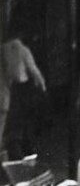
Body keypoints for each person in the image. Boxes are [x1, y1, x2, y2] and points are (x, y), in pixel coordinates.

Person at [0, 30, 47, 159]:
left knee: (9, 126)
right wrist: (43, 86)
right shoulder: (23, 50)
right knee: (22, 125)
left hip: (8, 91)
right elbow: (33, 70)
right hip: (22, 90)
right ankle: (23, 154)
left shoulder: (3, 49)